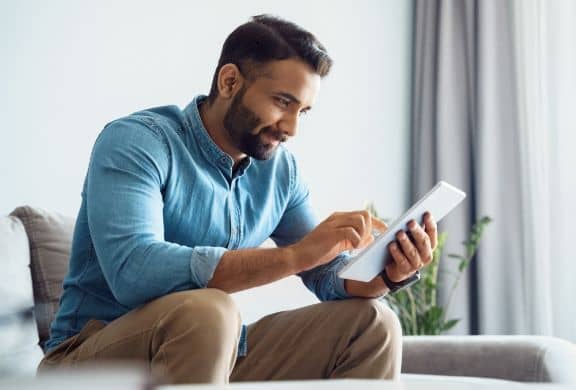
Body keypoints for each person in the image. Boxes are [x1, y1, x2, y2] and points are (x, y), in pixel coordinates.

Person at [38, 15, 437, 384]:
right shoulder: (139, 141)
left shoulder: (281, 172)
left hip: (211, 350)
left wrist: (388, 272)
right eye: (282, 102)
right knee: (209, 310)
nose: (293, 128)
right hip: (89, 359)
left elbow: (328, 278)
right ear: (229, 82)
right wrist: (297, 255)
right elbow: (134, 272)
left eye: (304, 111)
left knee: (372, 324)